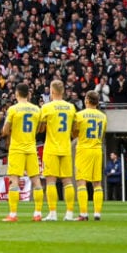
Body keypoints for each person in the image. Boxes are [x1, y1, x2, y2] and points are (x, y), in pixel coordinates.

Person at [1, 83, 43, 222]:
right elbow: (40, 129)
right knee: (36, 181)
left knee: (14, 181)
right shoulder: (36, 109)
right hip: (31, 148)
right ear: (29, 94)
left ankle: (13, 214)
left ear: (16, 94)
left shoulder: (13, 109)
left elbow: (5, 131)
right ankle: (37, 213)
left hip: (17, 149)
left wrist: (13, 130)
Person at [38, 80, 77, 221]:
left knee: (50, 182)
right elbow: (74, 131)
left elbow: (41, 129)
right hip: (66, 147)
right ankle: (69, 213)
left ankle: (53, 213)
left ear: (52, 91)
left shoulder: (47, 108)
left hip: (51, 148)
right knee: (67, 182)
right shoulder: (71, 107)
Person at [73, 91, 107, 221]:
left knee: (81, 182)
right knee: (97, 183)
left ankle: (84, 214)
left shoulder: (79, 115)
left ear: (87, 100)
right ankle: (97, 213)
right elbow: (103, 134)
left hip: (84, 149)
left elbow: (75, 133)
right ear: (97, 102)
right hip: (97, 149)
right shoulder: (103, 116)